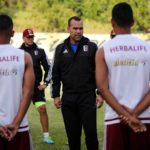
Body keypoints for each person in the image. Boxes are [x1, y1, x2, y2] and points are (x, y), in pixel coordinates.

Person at [96, 2, 150, 150]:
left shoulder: (103, 50)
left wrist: (125, 115)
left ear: (113, 23)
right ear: (132, 22)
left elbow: (102, 87)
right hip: (144, 117)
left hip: (115, 117)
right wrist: (133, 114)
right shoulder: (148, 48)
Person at [51, 16, 103, 150]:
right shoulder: (60, 48)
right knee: (73, 137)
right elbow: (55, 73)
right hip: (68, 98)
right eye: (75, 28)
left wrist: (100, 93)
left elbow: (99, 71)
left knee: (91, 135)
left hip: (87, 97)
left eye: (80, 28)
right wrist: (56, 95)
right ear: (68, 29)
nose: (78, 31)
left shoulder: (91, 47)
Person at [0, 14, 35, 150]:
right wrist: (16, 123)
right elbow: (28, 93)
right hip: (19, 128)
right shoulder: (24, 57)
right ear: (13, 33)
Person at [20, 28, 54, 144]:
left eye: (32, 37)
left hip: (36, 87)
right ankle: (19, 133)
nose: (30, 39)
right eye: (28, 37)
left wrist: (45, 83)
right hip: (22, 88)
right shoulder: (18, 52)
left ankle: (46, 136)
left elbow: (49, 68)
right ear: (23, 38)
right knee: (19, 111)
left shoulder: (40, 51)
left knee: (42, 109)